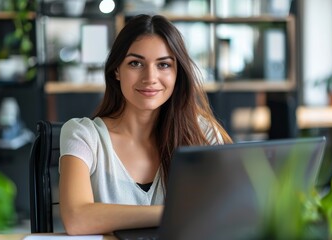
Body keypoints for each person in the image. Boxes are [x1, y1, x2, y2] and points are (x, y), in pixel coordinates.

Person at [59, 14, 232, 235]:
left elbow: (230, 210)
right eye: (136, 63)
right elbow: (77, 219)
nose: (150, 77)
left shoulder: (203, 133)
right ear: (116, 70)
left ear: (177, 73)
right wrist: (174, 213)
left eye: (164, 65)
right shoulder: (83, 135)